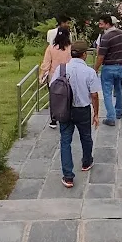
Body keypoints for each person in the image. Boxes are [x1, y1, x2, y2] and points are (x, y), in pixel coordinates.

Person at [51, 40, 101, 188]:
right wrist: (96, 114)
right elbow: (94, 95)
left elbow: (53, 87)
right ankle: (86, 162)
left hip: (64, 110)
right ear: (84, 54)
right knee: (86, 137)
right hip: (83, 110)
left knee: (65, 141)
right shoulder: (89, 72)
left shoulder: (61, 69)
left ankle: (68, 177)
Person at [95, 14, 122, 126]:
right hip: (120, 67)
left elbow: (101, 56)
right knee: (119, 90)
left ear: (107, 23)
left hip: (108, 68)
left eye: (101, 24)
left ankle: (110, 117)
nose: (100, 26)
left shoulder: (106, 37)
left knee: (107, 93)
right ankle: (118, 112)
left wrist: (95, 69)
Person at [41, 28, 72, 129]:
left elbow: (46, 63)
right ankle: (67, 116)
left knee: (53, 98)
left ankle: (53, 120)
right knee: (68, 97)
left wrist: (41, 75)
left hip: (53, 77)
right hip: (68, 76)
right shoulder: (70, 48)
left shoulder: (51, 48)